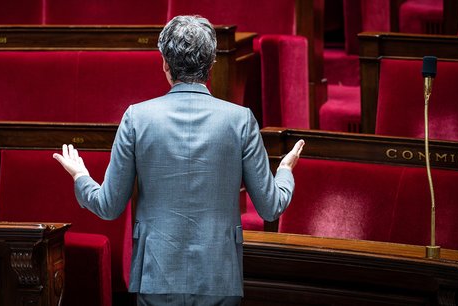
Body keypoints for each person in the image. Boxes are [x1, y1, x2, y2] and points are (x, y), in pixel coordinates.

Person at [54, 15, 305, 306]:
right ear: (211, 66)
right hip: (219, 275)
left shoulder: (137, 118)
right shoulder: (241, 120)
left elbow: (108, 206)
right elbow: (270, 207)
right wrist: (285, 171)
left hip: (155, 274)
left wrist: (81, 177)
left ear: (165, 64)